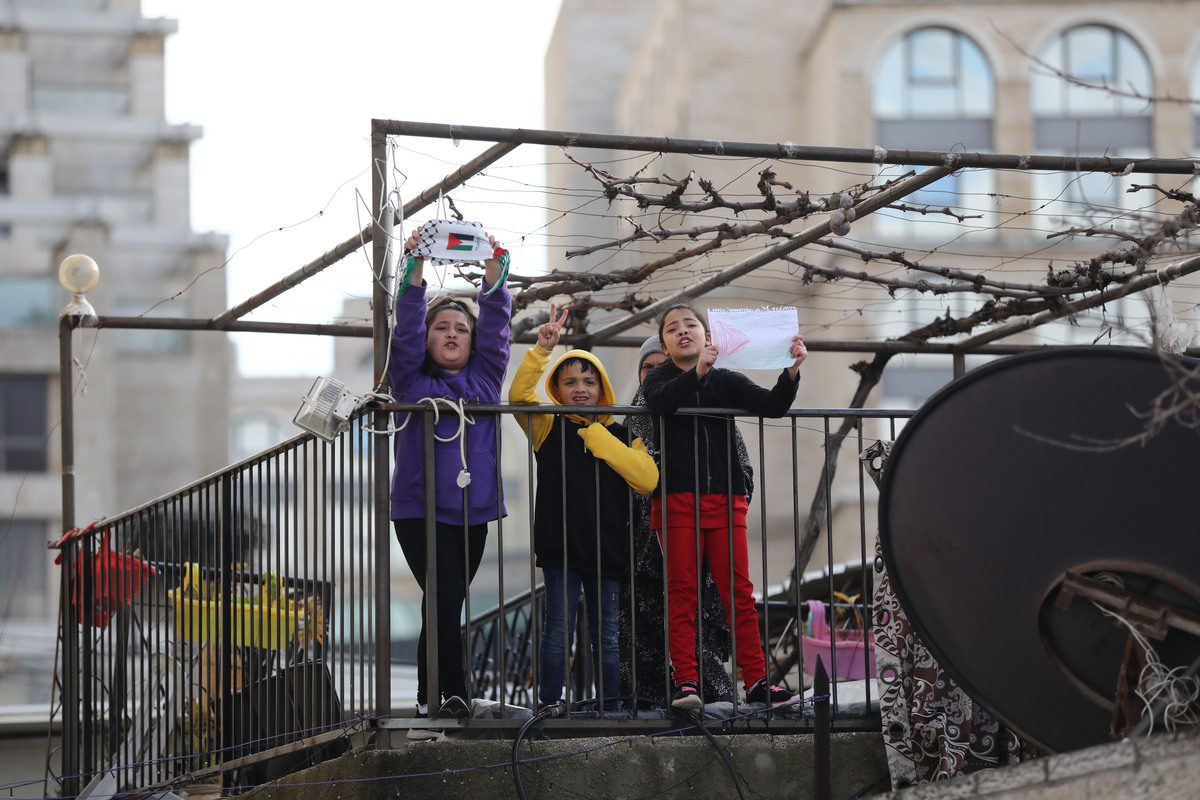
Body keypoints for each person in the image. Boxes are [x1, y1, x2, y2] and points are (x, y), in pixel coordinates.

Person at [642, 303, 807, 710]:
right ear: (664, 342)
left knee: (739, 593)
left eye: (691, 325)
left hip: (726, 500)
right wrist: (696, 373)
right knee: (682, 592)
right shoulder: (659, 377)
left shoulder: (725, 378)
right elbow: (660, 404)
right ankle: (687, 683)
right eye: (672, 328)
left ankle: (755, 682)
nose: (683, 332)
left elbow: (773, 406)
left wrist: (791, 371)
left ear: (708, 336)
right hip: (677, 501)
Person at [388, 224, 510, 735]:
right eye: (443, 327)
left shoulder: (485, 379)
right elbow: (407, 325)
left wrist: (496, 269)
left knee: (447, 600)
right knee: (442, 596)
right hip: (419, 508)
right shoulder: (411, 379)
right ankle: (443, 695)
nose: (453, 333)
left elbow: (499, 325)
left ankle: (437, 697)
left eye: (461, 326)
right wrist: (414, 268)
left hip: (473, 509)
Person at [509, 305, 659, 713]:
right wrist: (542, 351)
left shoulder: (621, 433)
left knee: (606, 634)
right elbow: (519, 395)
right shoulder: (547, 425)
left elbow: (647, 478)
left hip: (609, 548)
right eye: (570, 381)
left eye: (589, 381)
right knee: (558, 629)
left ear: (602, 388)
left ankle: (609, 706)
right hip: (561, 545)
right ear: (557, 389)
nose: (580, 388)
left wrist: (602, 439)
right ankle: (549, 704)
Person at [619, 336, 739, 707]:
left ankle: (708, 698)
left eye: (663, 366)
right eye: (648, 369)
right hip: (639, 550)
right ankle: (646, 706)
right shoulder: (632, 419)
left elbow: (740, 470)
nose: (656, 374)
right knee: (641, 633)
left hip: (695, 539)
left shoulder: (706, 409)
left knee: (694, 625)